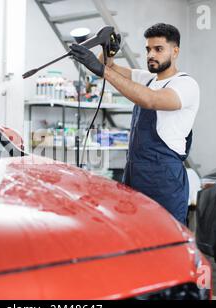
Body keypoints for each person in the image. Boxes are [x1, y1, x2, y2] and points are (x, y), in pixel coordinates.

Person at [69, 23, 200, 225]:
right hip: (135, 173)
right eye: (148, 49)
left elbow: (151, 100)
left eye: (158, 49)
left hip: (164, 178)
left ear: (175, 52)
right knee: (134, 233)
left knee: (164, 237)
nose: (151, 55)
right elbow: (108, 67)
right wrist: (108, 50)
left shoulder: (185, 84)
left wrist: (103, 70)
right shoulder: (147, 79)